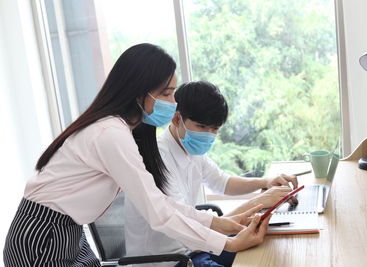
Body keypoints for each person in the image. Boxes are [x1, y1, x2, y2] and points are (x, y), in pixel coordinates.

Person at [3, 44, 270, 267]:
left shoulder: (127, 131)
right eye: (166, 93)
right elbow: (159, 213)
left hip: (68, 230)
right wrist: (229, 241)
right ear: (139, 92)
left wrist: (222, 224)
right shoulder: (110, 133)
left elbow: (161, 204)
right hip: (43, 235)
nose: (173, 103)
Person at [125, 81, 298, 267]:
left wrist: (266, 182)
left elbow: (223, 182)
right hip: (169, 261)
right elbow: (183, 222)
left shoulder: (190, 148)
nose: (208, 135)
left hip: (194, 249)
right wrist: (258, 202)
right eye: (202, 127)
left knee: (269, 250)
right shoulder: (157, 158)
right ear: (177, 119)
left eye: (214, 129)